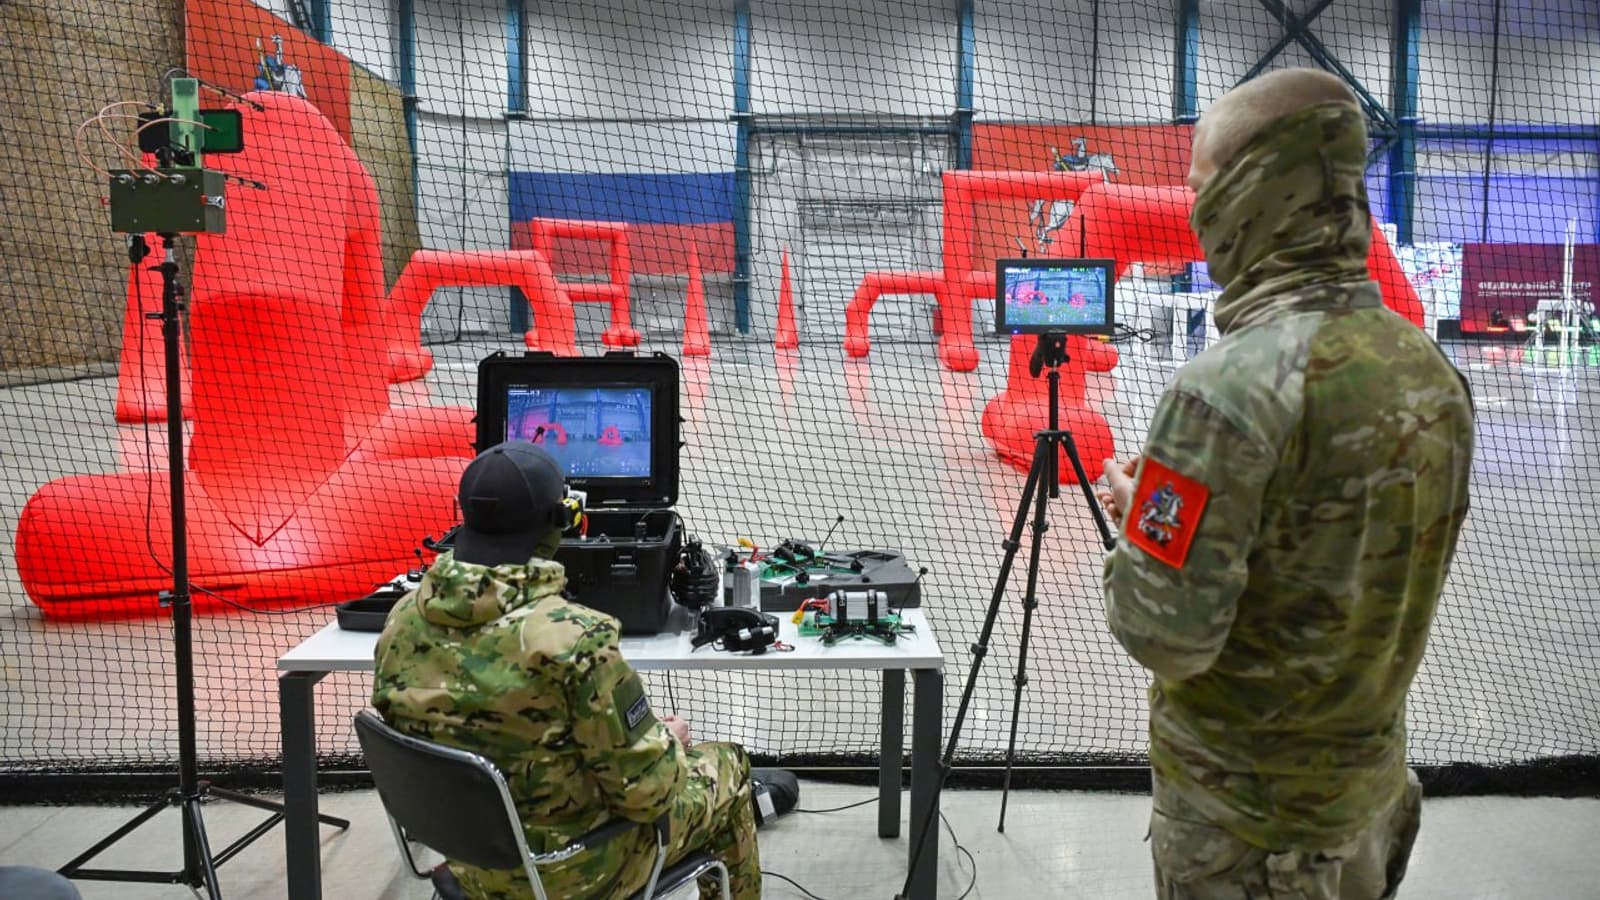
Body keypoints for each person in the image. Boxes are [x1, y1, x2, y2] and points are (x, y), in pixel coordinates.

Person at [1098, 68, 1476, 899]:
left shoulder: (1225, 390)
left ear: (1250, 192)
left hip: (1246, 832)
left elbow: (1165, 634)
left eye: (1201, 186)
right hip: (1366, 807)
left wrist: (1139, 533)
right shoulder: (1430, 370)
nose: (1194, 211)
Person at [373, 440, 769, 899]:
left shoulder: (402, 620)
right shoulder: (576, 638)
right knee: (730, 765)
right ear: (557, 524)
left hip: (469, 862)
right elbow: (648, 794)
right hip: (569, 871)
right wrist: (667, 745)